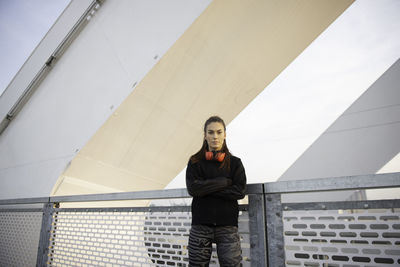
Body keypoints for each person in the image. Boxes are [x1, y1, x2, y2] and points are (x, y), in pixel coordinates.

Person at [186, 116, 247, 267]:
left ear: (225, 134)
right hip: (200, 225)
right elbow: (193, 189)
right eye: (211, 132)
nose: (215, 137)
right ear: (205, 135)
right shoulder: (195, 161)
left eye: (219, 132)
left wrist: (206, 189)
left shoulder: (235, 163)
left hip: (227, 227)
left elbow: (239, 191)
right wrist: (224, 182)